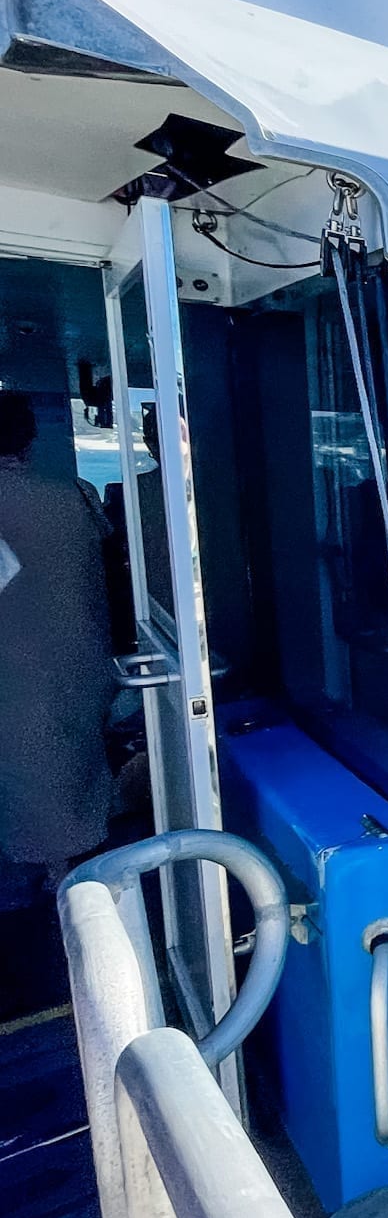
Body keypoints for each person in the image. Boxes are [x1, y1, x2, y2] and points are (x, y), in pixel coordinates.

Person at [0, 390, 116, 924]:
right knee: (72, 776)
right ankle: (78, 884)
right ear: (28, 439)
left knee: (21, 785)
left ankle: (31, 891)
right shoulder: (76, 494)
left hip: (14, 675)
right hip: (80, 663)